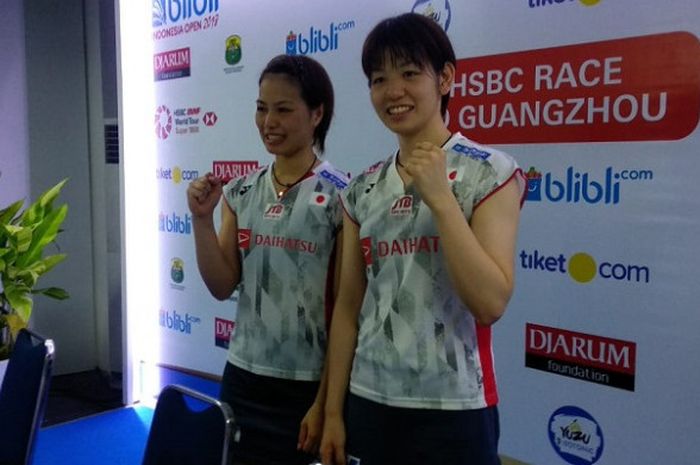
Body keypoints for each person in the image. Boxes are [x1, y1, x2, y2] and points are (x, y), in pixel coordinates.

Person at [319, 13, 527, 465]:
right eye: (379, 79)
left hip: (455, 406)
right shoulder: (363, 188)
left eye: (410, 73)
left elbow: (490, 303)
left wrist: (443, 202)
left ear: (446, 78)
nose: (394, 91)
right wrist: (333, 410)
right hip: (370, 400)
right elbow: (348, 307)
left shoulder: (490, 172)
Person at [187, 54, 348, 465]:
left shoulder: (344, 197)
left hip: (308, 387)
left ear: (316, 114)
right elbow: (222, 284)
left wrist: (327, 402)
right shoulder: (240, 192)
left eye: (283, 109)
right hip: (243, 379)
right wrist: (201, 221)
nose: (268, 122)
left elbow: (347, 308)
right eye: (261, 108)